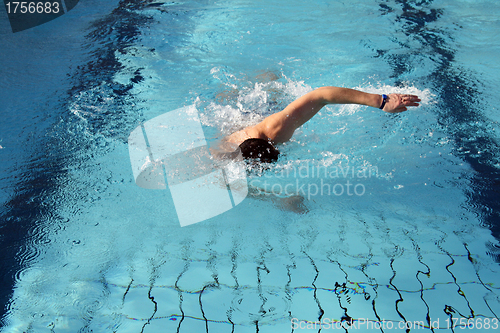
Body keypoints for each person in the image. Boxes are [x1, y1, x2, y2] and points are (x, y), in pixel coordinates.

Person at [222, 86, 421, 163]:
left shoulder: (275, 129)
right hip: (236, 125)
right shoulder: (224, 155)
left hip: (263, 112)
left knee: (270, 88)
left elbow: (321, 96)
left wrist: (381, 101)